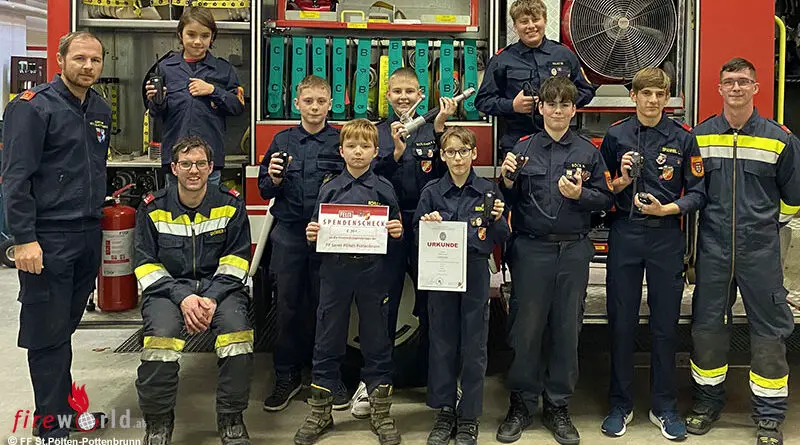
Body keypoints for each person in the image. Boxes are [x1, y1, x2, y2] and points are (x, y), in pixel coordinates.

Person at [1, 31, 110, 439]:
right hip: (47, 237)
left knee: (64, 328)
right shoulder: (32, 108)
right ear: (60, 59)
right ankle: (51, 425)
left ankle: (61, 411)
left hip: (87, 233)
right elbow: (16, 178)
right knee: (47, 332)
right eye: (79, 58)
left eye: (95, 59)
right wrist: (23, 238)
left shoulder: (99, 108)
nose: (88, 66)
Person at [687, 57, 800, 445]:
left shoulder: (780, 139)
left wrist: (767, 227)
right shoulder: (700, 137)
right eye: (729, 81)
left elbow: (793, 197)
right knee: (707, 329)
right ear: (719, 88)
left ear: (756, 88)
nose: (736, 87)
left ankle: (768, 418)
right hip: (713, 249)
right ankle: (707, 404)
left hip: (760, 253)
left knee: (769, 332)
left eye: (743, 81)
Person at [496, 75, 614, 445]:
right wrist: (506, 181)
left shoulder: (588, 152)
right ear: (542, 108)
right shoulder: (523, 149)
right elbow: (505, 201)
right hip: (531, 250)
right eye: (552, 104)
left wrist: (581, 196)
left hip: (573, 251)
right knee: (526, 329)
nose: (558, 111)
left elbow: (606, 199)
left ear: (574, 109)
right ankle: (521, 404)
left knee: (567, 330)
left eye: (565, 104)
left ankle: (558, 405)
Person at [598, 67, 706, 440]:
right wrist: (622, 180)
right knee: (621, 323)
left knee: (664, 326)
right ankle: (620, 404)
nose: (653, 100)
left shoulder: (683, 137)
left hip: (665, 237)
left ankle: (664, 406)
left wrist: (667, 210)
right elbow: (602, 189)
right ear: (633, 96)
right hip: (625, 235)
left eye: (660, 94)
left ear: (667, 97)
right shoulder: (615, 136)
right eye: (646, 93)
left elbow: (698, 193)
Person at [348, 66, 456, 416]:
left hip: (429, 225)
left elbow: (449, 176)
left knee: (435, 305)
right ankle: (372, 383)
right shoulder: (377, 132)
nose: (404, 97)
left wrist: (440, 130)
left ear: (421, 95)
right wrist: (393, 153)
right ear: (388, 95)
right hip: (388, 226)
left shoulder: (434, 128)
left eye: (410, 91)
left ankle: (442, 383)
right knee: (382, 306)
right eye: (397, 91)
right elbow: (366, 176)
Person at [133, 136, 253, 445]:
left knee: (237, 336)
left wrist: (211, 297)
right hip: (168, 290)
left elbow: (238, 260)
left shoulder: (230, 204)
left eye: (200, 163)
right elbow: (145, 264)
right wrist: (183, 297)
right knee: (160, 340)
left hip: (220, 289)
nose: (194, 171)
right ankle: (158, 422)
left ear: (211, 167)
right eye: (186, 164)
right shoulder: (152, 207)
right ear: (174, 168)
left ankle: (231, 417)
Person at [294, 119, 403, 445]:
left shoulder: (384, 189)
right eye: (352, 146)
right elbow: (316, 227)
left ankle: (381, 412)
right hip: (335, 274)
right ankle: (320, 412)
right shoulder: (329, 188)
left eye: (365, 146)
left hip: (373, 275)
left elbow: (396, 230)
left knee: (377, 342)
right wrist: (312, 233)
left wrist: (397, 232)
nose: (358, 152)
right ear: (341, 151)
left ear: (376, 151)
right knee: (326, 342)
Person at [414, 127, 510, 445]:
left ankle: (468, 415)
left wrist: (499, 219)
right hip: (440, 273)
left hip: (474, 271)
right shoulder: (431, 192)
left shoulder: (489, 191)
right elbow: (416, 236)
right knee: (442, 341)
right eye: (451, 152)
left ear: (474, 154)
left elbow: (502, 237)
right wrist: (426, 225)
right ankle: (445, 411)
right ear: (442, 156)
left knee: (474, 344)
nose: (458, 158)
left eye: (464, 151)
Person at [257, 75, 347, 412]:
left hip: (330, 236)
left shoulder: (340, 141)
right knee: (288, 308)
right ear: (297, 104)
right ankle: (287, 375)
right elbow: (265, 189)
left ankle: (327, 377)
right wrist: (274, 178)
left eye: (321, 101)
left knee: (329, 309)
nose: (314, 107)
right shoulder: (282, 141)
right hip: (291, 235)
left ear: (331, 105)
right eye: (308, 101)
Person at [474, 0, 595, 158]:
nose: (531, 26)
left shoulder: (564, 54)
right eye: (524, 22)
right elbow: (482, 101)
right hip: (518, 141)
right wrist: (512, 105)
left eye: (536, 19)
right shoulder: (502, 59)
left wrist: (561, 103)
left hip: (561, 141)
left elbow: (586, 91)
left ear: (545, 20)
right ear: (515, 26)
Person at [145, 6, 245, 187]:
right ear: (180, 35)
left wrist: (213, 90)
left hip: (209, 161)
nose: (198, 41)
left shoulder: (223, 69)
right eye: (191, 34)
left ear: (212, 37)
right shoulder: (165, 68)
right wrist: (156, 100)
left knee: (210, 205)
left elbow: (237, 107)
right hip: (176, 162)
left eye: (204, 36)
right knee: (175, 205)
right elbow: (156, 113)